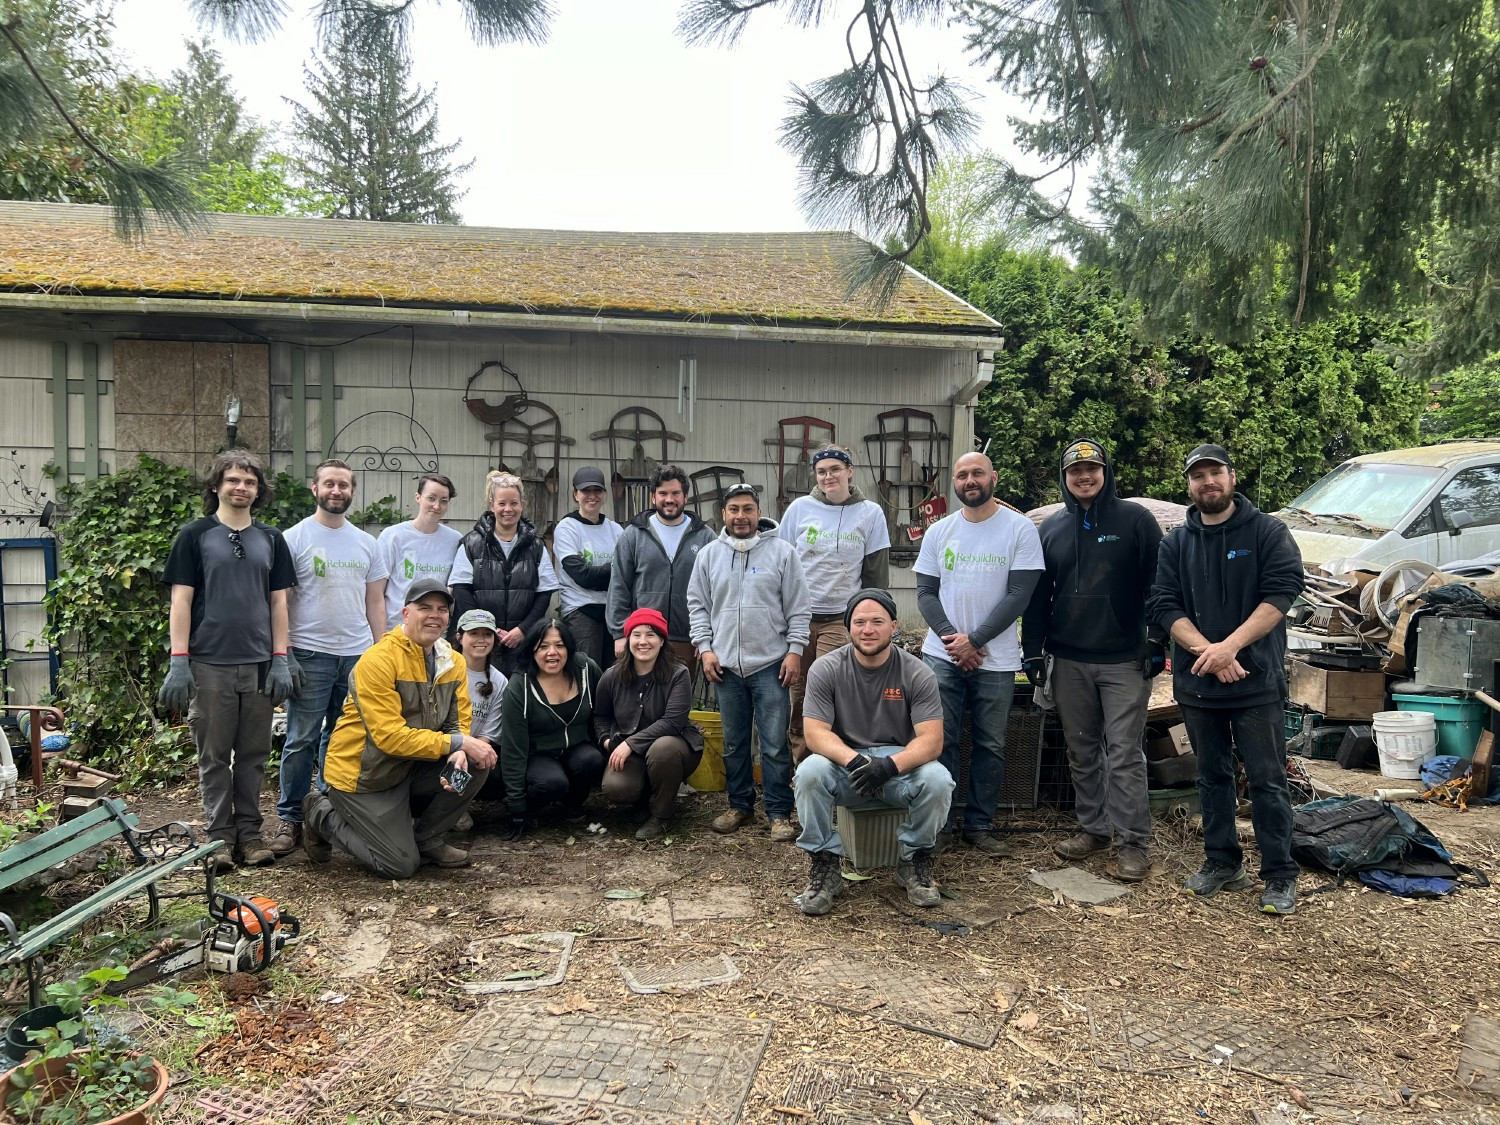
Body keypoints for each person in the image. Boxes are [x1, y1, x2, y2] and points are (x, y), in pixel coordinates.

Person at [1148, 443, 1306, 915]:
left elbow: (1281, 594)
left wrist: (1232, 647)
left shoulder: (1267, 532)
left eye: (1215, 473)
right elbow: (1164, 605)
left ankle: (1279, 874)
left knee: (1266, 779)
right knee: (1211, 776)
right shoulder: (1175, 542)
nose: (1207, 482)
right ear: (1189, 486)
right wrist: (1209, 652)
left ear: (1232, 477)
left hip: (1255, 681)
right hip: (1199, 683)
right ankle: (1222, 861)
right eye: (1198, 476)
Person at [1021, 439, 1164, 882]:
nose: (1084, 477)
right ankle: (1094, 829)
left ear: (1106, 472)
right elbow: (1038, 598)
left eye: (1092, 469)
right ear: (1064, 479)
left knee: (1123, 753)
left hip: (1124, 659)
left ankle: (1133, 842)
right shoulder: (1052, 529)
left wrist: (1158, 641)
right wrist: (1033, 651)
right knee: (1082, 750)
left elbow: (1159, 586)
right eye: (1074, 471)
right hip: (1068, 659)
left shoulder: (1136, 521)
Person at [159, 450, 296, 871]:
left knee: (254, 755)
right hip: (209, 664)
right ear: (216, 485)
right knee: (214, 756)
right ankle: (219, 839)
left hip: (258, 665)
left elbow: (279, 603)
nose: (242, 488)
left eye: (250, 482)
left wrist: (281, 658)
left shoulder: (271, 539)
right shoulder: (195, 535)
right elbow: (181, 600)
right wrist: (179, 659)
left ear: (259, 491)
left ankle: (251, 836)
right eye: (234, 480)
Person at [304, 579, 496, 877]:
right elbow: (389, 738)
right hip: (366, 778)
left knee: (475, 762)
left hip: (410, 768)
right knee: (399, 866)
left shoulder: (452, 661)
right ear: (406, 613)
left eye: (442, 609)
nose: (435, 615)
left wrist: (459, 750)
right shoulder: (378, 660)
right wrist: (455, 743)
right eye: (425, 608)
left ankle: (427, 837)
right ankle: (320, 812)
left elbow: (457, 721)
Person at [915, 451, 1044, 856]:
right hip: (942, 655)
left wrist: (978, 639)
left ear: (994, 477)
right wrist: (955, 639)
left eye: (977, 473)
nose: (970, 481)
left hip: (997, 659)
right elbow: (925, 593)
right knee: (941, 741)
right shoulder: (940, 532)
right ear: (954, 483)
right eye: (962, 475)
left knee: (991, 744)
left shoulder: (1020, 530)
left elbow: (1020, 594)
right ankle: (942, 825)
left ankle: (979, 824)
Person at [793, 589, 952, 916]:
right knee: (809, 773)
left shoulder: (917, 672)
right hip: (847, 765)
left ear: (894, 626)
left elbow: (931, 740)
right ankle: (826, 867)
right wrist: (855, 760)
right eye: (860, 621)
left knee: (938, 779)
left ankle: (914, 862)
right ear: (849, 627)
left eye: (877, 621)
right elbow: (814, 733)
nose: (868, 629)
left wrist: (889, 766)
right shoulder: (826, 669)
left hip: (897, 768)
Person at [268, 459, 390, 859]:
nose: (336, 491)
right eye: (329, 484)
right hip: (309, 653)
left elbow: (375, 603)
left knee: (343, 739)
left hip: (356, 655)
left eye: (344, 485)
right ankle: (290, 818)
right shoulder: (293, 538)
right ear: (314, 488)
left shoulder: (367, 544)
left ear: (353, 491)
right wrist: (282, 654)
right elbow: (280, 601)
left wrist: (378, 653)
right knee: (301, 738)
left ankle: (328, 811)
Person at [687, 483, 810, 841]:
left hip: (771, 664)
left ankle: (778, 812)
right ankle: (739, 805)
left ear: (759, 513)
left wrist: (794, 650)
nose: (741, 516)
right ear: (723, 515)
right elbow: (698, 606)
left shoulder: (783, 554)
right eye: (734, 510)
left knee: (773, 742)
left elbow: (799, 608)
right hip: (725, 666)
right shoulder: (709, 555)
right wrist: (705, 648)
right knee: (734, 742)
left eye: (748, 509)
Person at [777, 446, 890, 763]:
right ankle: (801, 768)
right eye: (822, 471)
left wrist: (871, 621)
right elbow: (780, 564)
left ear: (850, 471)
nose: (829, 476)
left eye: (835, 469)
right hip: (799, 619)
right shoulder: (800, 509)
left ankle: (830, 761)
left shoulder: (870, 513)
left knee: (831, 689)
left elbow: (876, 575)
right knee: (799, 692)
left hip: (841, 618)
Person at [595, 607, 704, 840]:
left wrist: (631, 743)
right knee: (617, 788)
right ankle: (642, 800)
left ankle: (662, 814)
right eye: (636, 635)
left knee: (662, 749)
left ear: (662, 640)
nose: (643, 642)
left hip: (674, 747)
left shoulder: (678, 674)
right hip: (630, 750)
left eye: (651, 634)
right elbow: (600, 716)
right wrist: (606, 741)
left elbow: (673, 722)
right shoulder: (612, 676)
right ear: (628, 640)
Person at [497, 616, 606, 838]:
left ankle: (573, 804)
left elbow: (605, 710)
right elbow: (513, 748)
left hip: (577, 748)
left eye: (559, 645)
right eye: (543, 646)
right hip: (537, 755)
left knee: (592, 759)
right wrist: (517, 807)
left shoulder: (586, 669)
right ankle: (528, 807)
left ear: (569, 648)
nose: (552, 653)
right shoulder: (520, 687)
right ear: (532, 650)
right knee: (552, 783)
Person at [606, 464, 715, 679]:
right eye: (663, 493)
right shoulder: (633, 535)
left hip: (688, 637)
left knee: (678, 703)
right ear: (653, 497)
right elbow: (619, 585)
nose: (669, 499)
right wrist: (620, 633)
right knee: (640, 700)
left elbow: (716, 591)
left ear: (685, 497)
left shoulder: (706, 537)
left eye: (675, 493)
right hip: (643, 637)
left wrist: (706, 637)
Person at [450, 471, 559, 677]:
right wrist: (488, 628)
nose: (508, 509)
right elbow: (461, 590)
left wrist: (523, 630)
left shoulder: (536, 545)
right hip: (482, 640)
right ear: (492, 505)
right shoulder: (472, 543)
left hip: (523, 641)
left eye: (514, 503)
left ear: (522, 505)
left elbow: (544, 593)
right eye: (502, 504)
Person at [553, 467, 623, 669]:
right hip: (581, 611)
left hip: (612, 612)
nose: (592, 496)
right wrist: (615, 570)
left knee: (614, 675)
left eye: (597, 490)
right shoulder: (567, 528)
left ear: (605, 494)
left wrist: (612, 573)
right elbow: (583, 576)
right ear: (576, 494)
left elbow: (628, 573)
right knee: (587, 672)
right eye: (586, 491)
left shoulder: (615, 530)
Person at [373, 473, 462, 631]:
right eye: (431, 498)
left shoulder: (455, 540)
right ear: (418, 497)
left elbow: (453, 589)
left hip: (435, 633)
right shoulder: (393, 536)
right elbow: (376, 592)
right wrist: (379, 637)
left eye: (444, 501)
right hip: (396, 632)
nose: (437, 506)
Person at [456, 609, 507, 753]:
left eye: (487, 634)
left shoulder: (500, 681)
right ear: (459, 637)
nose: (481, 639)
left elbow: (487, 734)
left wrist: (469, 752)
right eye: (474, 633)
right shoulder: (444, 669)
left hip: (474, 752)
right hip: (440, 747)